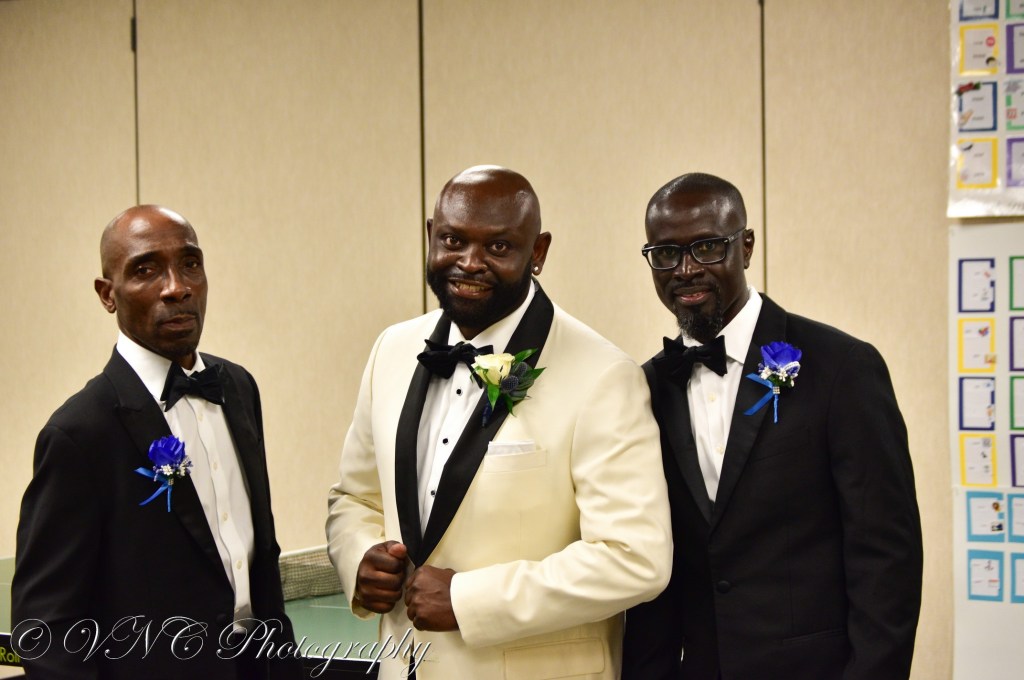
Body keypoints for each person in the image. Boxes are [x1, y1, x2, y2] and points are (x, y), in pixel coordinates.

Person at [326, 165, 672, 680]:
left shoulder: (605, 376)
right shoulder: (391, 350)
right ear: (430, 235)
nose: (470, 262)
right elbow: (356, 497)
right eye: (453, 240)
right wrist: (359, 558)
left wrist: (469, 600)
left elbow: (635, 558)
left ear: (538, 252)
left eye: (499, 247)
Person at [622, 173, 923, 680]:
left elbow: (887, 558)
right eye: (666, 253)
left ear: (746, 246)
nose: (686, 270)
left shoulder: (842, 367)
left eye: (707, 247)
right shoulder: (647, 387)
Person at [12, 205, 301, 679]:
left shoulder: (238, 387)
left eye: (190, 264)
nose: (176, 287)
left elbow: (257, 557)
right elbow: (46, 628)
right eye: (145, 270)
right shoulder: (79, 433)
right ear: (107, 295)